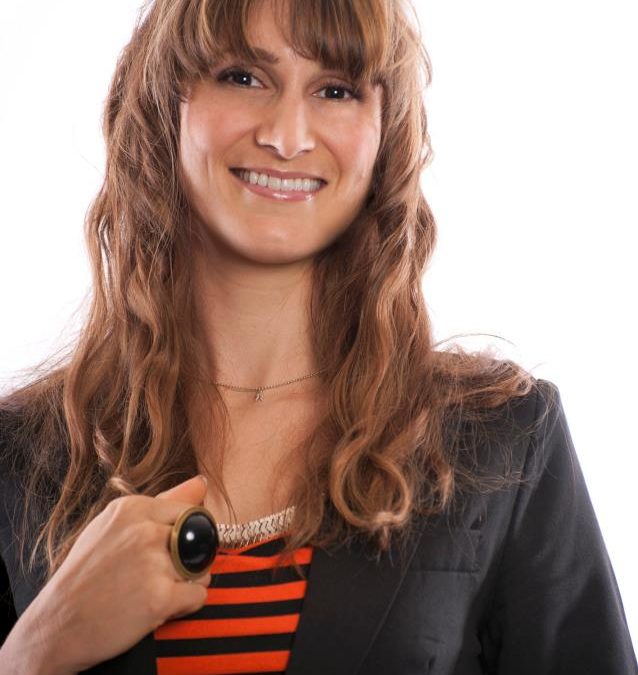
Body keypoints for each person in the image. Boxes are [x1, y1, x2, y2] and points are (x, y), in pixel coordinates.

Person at [0, 0, 636, 673]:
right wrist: (34, 653)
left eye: (335, 90)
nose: (287, 134)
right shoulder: (19, 461)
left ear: (384, 133)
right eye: (243, 77)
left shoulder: (504, 443)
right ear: (166, 103)